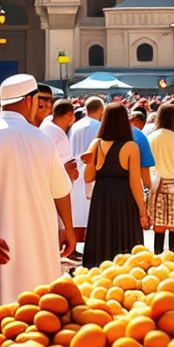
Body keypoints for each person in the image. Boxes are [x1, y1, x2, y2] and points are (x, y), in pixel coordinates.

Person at [0, 74, 73, 316]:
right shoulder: (43, 140)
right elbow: (61, 190)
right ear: (30, 101)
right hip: (39, 242)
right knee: (39, 317)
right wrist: (68, 229)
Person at [82, 103, 149, 267]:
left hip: (101, 198)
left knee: (102, 237)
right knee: (124, 239)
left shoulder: (96, 144)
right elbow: (135, 181)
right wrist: (142, 210)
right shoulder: (130, 147)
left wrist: (89, 163)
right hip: (123, 198)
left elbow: (88, 177)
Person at [147, 104, 174, 254]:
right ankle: (172, 258)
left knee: (158, 226)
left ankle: (157, 258)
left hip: (158, 184)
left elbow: (148, 165)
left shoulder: (151, 138)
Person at [67, 97, 104, 261]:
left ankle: (73, 247)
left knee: (77, 214)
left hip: (76, 172)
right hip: (91, 172)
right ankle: (92, 249)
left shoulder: (75, 126)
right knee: (91, 215)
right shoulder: (98, 127)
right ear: (100, 110)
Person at [128, 109, 156, 196]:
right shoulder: (139, 136)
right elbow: (144, 170)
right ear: (136, 120)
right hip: (132, 186)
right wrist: (149, 188)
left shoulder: (104, 135)